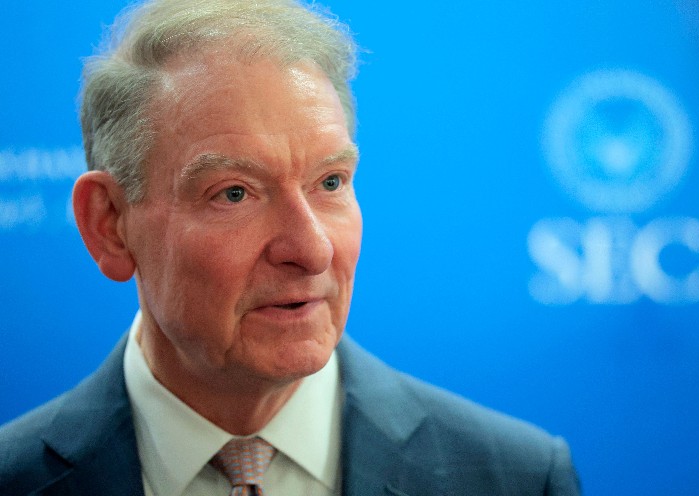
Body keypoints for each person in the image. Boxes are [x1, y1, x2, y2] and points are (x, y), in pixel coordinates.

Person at [0, 0, 581, 494]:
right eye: (234, 193)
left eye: (330, 182)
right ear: (109, 224)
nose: (312, 250)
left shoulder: (517, 477)